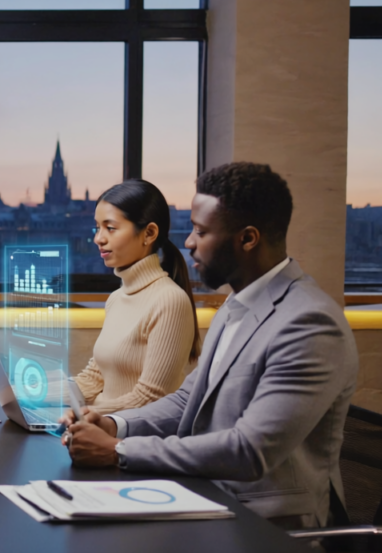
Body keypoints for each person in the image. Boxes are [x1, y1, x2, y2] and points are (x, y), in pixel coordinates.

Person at [62, 162, 358, 529]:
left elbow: (249, 451)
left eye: (201, 232)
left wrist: (119, 451)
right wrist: (114, 424)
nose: (187, 243)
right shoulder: (236, 306)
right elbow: (188, 400)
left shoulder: (309, 323)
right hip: (204, 496)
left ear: (247, 239)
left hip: (268, 525)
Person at [69, 179, 201, 414]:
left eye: (110, 228)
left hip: (133, 441)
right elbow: (93, 379)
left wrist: (86, 414)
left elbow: (152, 399)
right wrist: (24, 395)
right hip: (100, 429)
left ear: (149, 233)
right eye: (97, 227)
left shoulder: (170, 300)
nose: (98, 238)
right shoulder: (117, 298)